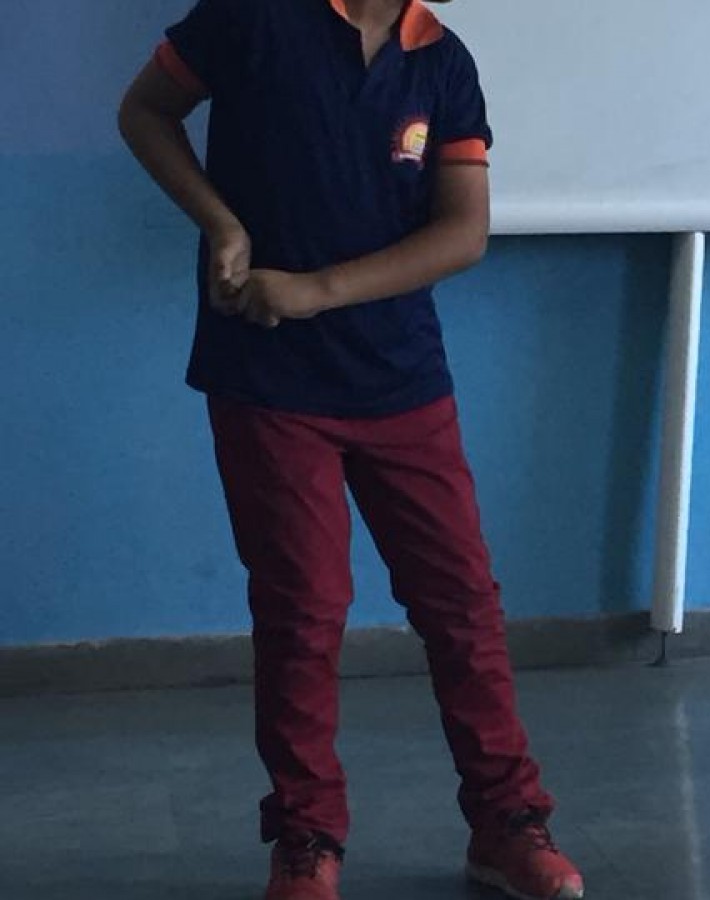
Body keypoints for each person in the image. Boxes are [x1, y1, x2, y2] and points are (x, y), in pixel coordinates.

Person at [117, 0, 587, 895]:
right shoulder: (252, 17)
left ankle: (507, 822)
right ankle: (307, 838)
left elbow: (463, 233)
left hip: (402, 379)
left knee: (462, 604)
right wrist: (220, 224)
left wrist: (318, 290)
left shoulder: (442, 60)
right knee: (303, 609)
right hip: (267, 379)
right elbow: (144, 111)